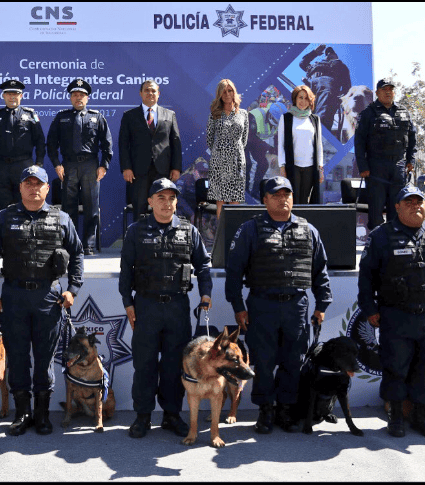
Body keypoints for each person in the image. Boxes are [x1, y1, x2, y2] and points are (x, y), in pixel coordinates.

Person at [225, 176, 332, 434]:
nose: (283, 199)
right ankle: (265, 411)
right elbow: (234, 270)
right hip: (262, 305)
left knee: (292, 361)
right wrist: (238, 306)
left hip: (296, 306)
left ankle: (285, 410)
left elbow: (320, 271)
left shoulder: (309, 230)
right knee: (263, 361)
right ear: (265, 200)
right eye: (276, 195)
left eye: (287, 194)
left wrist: (322, 304)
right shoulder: (250, 229)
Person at [0, 165, 84, 436]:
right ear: (20, 188)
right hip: (14, 296)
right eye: (27, 183)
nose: (33, 187)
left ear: (47, 188)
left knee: (44, 358)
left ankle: (41, 414)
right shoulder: (4, 218)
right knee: (17, 357)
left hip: (48, 297)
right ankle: (21, 413)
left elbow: (78, 254)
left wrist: (72, 289)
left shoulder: (62, 218)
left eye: (38, 183)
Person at [118, 178, 212, 439]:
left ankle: (172, 415)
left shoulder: (188, 230)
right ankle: (143, 416)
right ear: (150, 202)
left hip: (177, 308)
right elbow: (126, 270)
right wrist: (128, 302)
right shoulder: (136, 231)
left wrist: (206, 293)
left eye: (171, 198)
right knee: (145, 365)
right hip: (146, 306)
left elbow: (203, 265)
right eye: (161, 198)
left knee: (174, 366)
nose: (167, 203)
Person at [357, 185, 425, 438]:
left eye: (420, 202)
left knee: (424, 368)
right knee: (396, 368)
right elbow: (367, 276)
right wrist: (369, 308)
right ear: (397, 206)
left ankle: (421, 416)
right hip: (396, 314)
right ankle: (395, 418)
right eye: (410, 202)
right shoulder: (382, 235)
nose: (416, 206)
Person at [47, 78, 113, 255]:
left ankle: (88, 244)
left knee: (92, 207)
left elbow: (107, 144)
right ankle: (71, 243)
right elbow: (51, 144)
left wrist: (104, 165)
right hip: (68, 165)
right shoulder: (62, 117)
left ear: (87, 98)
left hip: (91, 165)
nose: (78, 98)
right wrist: (57, 165)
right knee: (69, 207)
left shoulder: (97, 117)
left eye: (82, 95)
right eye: (75, 95)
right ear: (70, 98)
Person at [355, 78, 417, 230]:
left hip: (398, 167)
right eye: (384, 89)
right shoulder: (368, 114)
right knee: (376, 210)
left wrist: (411, 161)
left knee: (397, 208)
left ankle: (394, 245)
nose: (388, 92)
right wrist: (363, 167)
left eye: (390, 89)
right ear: (377, 93)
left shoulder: (404, 112)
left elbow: (412, 139)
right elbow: (359, 143)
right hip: (377, 167)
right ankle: (376, 246)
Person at [118, 80, 183, 220]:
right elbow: (123, 144)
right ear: (141, 93)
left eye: (153, 91)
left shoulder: (169, 114)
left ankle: (161, 240)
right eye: (147, 90)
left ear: (158, 94)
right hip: (138, 172)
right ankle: (140, 240)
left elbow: (175, 142)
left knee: (163, 209)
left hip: (163, 170)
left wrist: (176, 168)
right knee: (139, 210)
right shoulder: (129, 115)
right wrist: (126, 168)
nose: (150, 93)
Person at [0, 79, 46, 212]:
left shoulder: (30, 115)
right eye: (9, 94)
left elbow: (40, 141)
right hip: (1, 167)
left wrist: (39, 164)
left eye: (16, 94)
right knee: (2, 206)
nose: (12, 97)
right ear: (4, 96)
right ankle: (5, 233)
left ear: (21, 96)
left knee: (26, 204)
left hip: (24, 165)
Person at [206, 79, 248, 219]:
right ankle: (222, 236)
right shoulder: (215, 113)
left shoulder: (243, 114)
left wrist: (234, 150)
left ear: (234, 92)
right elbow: (209, 138)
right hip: (219, 161)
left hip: (237, 160)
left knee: (235, 200)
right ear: (219, 94)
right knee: (221, 201)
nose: (227, 94)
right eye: (223, 91)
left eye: (230, 90)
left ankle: (234, 235)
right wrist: (221, 151)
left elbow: (244, 139)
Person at [278, 85, 324, 204]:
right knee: (293, 200)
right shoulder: (286, 118)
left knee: (305, 201)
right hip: (293, 166)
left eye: (306, 98)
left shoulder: (315, 119)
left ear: (310, 101)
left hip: (310, 167)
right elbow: (281, 145)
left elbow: (319, 146)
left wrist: (320, 168)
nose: (303, 101)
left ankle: (303, 223)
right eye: (300, 97)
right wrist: (282, 167)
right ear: (295, 99)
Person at [299, 44, 351, 131]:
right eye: (327, 53)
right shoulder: (316, 64)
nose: (328, 54)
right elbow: (302, 63)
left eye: (331, 53)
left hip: (328, 85)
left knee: (322, 116)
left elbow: (347, 86)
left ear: (336, 56)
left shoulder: (340, 66)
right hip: (310, 84)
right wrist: (315, 52)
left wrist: (340, 98)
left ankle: (320, 135)